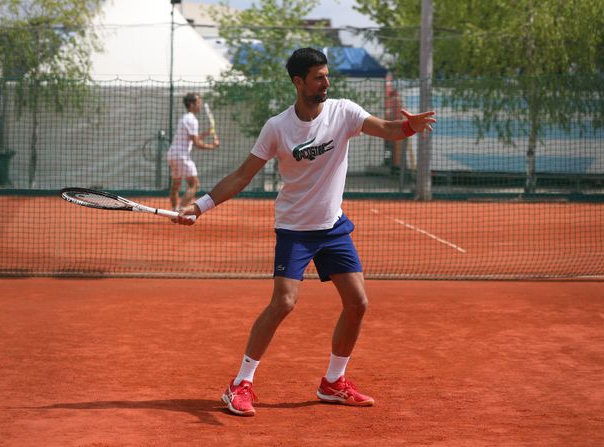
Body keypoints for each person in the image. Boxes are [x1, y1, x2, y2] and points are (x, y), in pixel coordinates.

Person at [175, 48, 436, 417]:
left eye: (327, 76)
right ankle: (240, 384)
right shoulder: (277, 127)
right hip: (295, 229)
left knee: (358, 303)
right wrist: (199, 207)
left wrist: (410, 126)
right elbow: (241, 176)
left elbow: (389, 131)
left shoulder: (343, 112)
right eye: (318, 77)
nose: (326, 83)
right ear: (299, 82)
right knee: (283, 303)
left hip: (333, 227)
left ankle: (333, 382)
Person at [167, 93, 220, 211]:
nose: (199, 104)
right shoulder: (192, 120)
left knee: (176, 185)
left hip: (172, 154)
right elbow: (197, 144)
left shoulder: (185, 118)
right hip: (181, 156)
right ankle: (181, 210)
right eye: (198, 102)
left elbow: (192, 138)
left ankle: (174, 210)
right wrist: (212, 146)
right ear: (191, 104)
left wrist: (206, 134)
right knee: (194, 184)